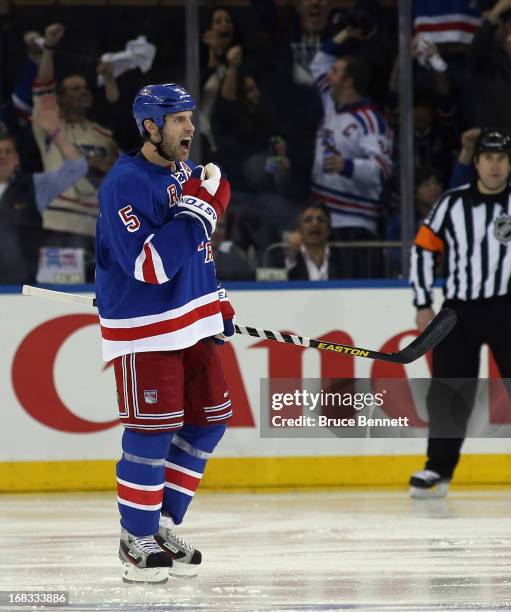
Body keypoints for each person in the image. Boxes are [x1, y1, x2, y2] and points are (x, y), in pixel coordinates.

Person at [95, 83, 235, 583]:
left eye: (190, 118)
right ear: (149, 126)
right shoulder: (123, 185)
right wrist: (201, 212)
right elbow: (150, 266)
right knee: (152, 432)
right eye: (178, 119)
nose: (189, 128)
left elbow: (196, 254)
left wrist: (213, 297)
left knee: (210, 420)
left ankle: (160, 524)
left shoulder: (184, 173)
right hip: (145, 330)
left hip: (191, 323)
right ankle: (136, 539)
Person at [409, 128, 511, 498]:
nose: (495, 165)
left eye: (502, 158)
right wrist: (422, 302)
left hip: (506, 306)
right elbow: (423, 248)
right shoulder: (452, 203)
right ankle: (438, 468)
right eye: (489, 158)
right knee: (450, 393)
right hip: (459, 311)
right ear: (478, 161)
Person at [31, 23, 118, 280]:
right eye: (74, 88)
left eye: (85, 88)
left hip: (97, 227)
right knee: (54, 301)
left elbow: (123, 170)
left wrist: (107, 166)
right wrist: (48, 48)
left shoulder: (103, 134)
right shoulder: (50, 126)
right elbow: (43, 87)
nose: (83, 92)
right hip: (58, 225)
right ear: (61, 98)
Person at [309, 26, 393, 277]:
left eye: (335, 72)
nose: (329, 75)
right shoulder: (331, 107)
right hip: (323, 222)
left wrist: (347, 166)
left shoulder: (370, 121)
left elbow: (381, 171)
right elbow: (318, 64)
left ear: (348, 82)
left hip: (355, 227)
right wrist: (345, 33)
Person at [0, 97, 88, 284]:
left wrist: (55, 132)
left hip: (21, 293)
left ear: (16, 159)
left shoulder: (34, 186)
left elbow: (77, 167)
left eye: (7, 151)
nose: (2, 157)